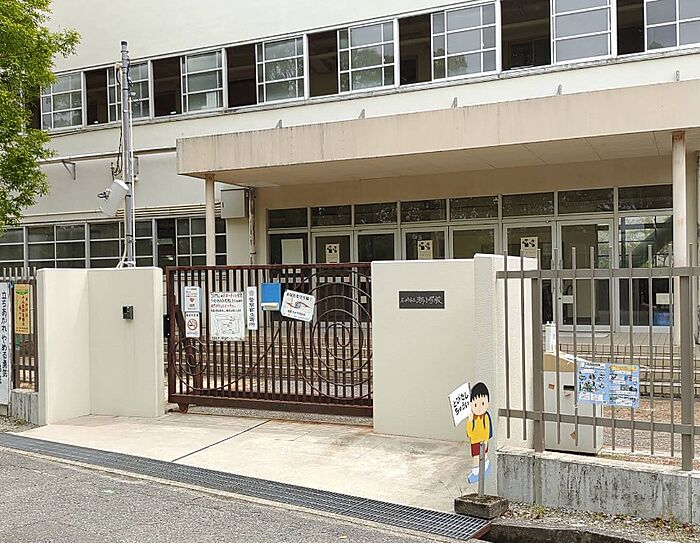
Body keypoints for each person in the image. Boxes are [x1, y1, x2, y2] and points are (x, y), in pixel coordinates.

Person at [466, 382, 493, 484]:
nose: (479, 407)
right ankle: (475, 472)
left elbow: (487, 430)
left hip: (483, 440)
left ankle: (485, 467)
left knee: (484, 455)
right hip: (474, 441)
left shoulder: (485, 417)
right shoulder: (472, 418)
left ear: (487, 402)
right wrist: (469, 421)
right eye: (475, 404)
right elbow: (470, 433)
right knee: (476, 457)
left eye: (482, 403)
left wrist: (486, 440)